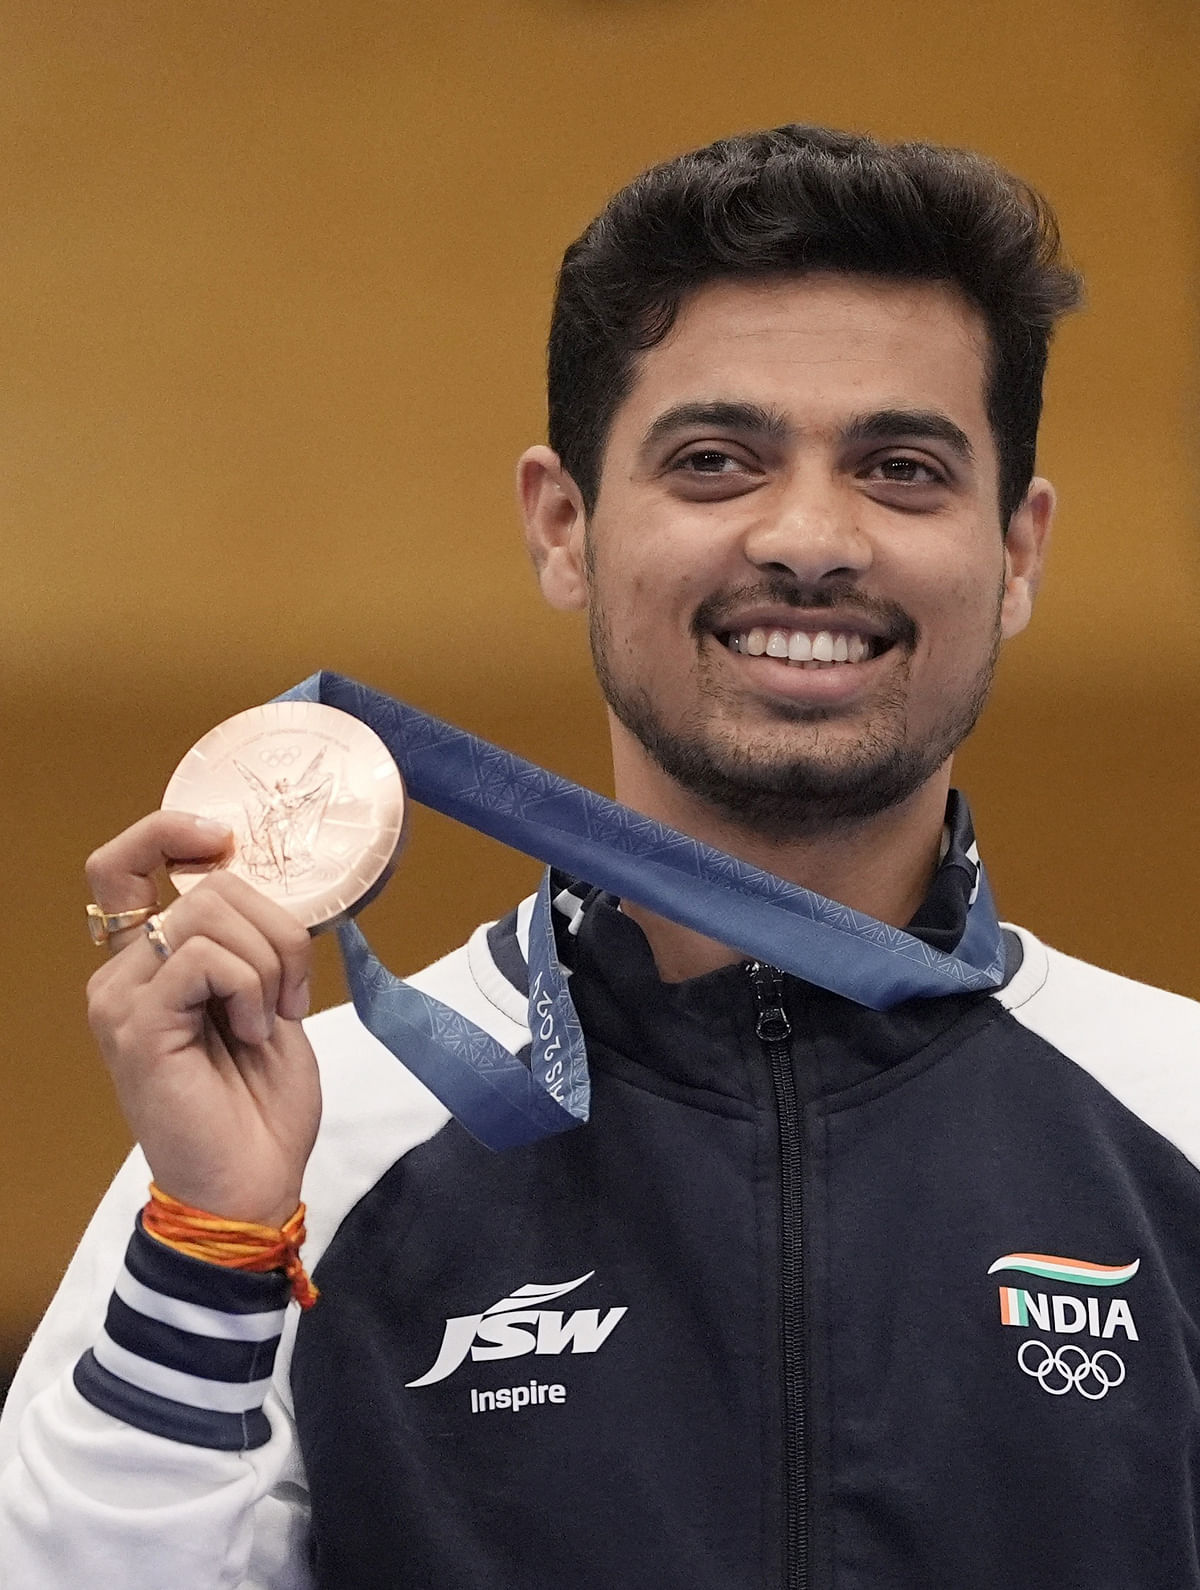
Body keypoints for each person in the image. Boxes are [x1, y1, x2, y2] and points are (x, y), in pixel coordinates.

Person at [3, 123, 1199, 1590]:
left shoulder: (1178, 1121)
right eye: (715, 461)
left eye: (900, 467)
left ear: (1017, 553)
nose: (810, 536)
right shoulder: (300, 1153)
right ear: (562, 525)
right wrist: (209, 1252)